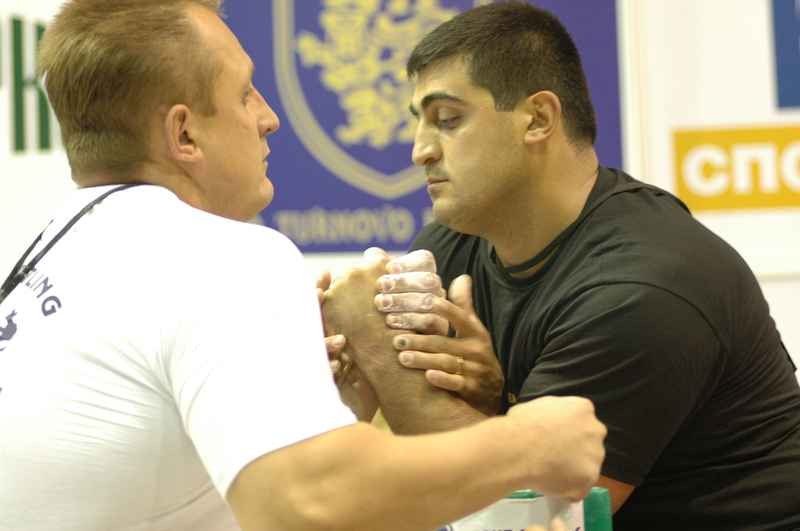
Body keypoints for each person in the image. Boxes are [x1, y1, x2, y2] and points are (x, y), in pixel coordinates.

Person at [0, 1, 607, 530]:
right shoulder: (220, 255)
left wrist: (327, 404)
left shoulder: (41, 259)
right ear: (184, 136)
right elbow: (302, 506)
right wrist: (532, 440)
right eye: (243, 93)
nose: (269, 116)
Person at [326, 2, 800, 530]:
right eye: (419, 124)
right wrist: (486, 403)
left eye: (448, 120)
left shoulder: (641, 287)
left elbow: (524, 517)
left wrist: (378, 347)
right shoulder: (452, 244)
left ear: (538, 119)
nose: (419, 151)